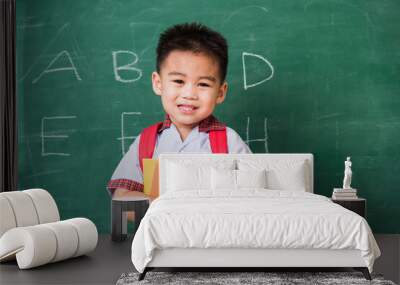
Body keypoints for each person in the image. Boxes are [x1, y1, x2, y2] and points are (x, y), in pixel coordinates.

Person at [107, 22, 252, 209]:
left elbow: (250, 196)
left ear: (220, 93)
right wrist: (170, 204)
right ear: (158, 83)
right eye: (178, 81)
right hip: (159, 236)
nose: (189, 94)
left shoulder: (229, 141)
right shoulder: (147, 143)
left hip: (215, 235)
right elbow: (122, 199)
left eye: (203, 84)